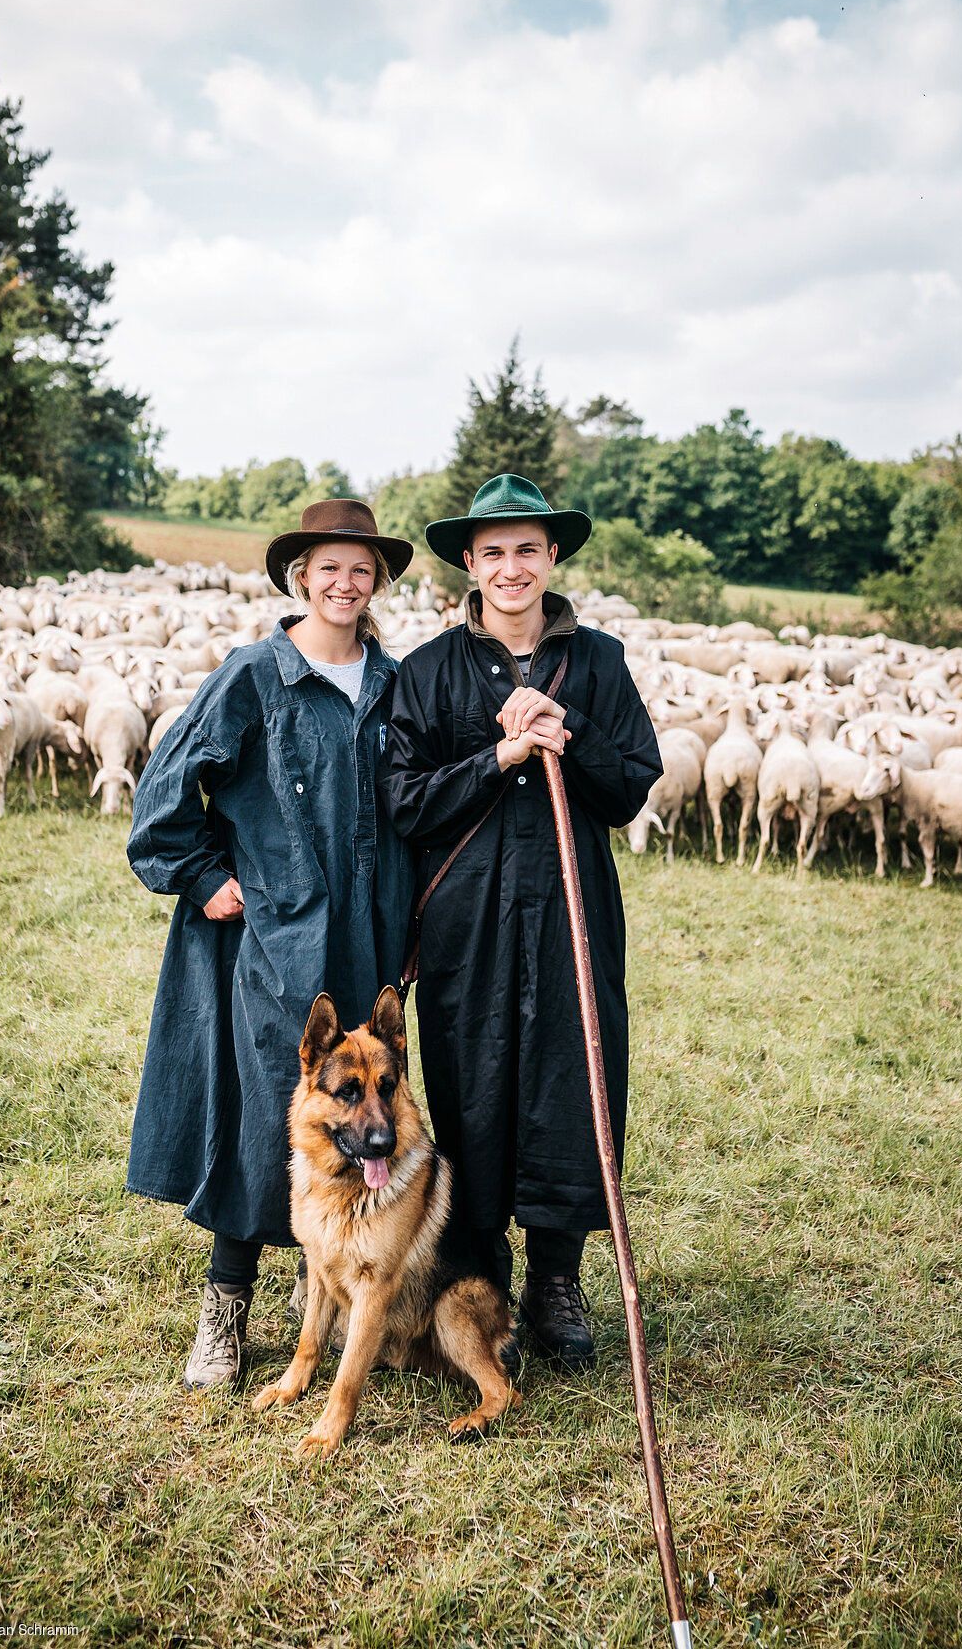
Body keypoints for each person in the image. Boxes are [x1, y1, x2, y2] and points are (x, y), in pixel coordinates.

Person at [125, 500, 415, 1389]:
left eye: (360, 568)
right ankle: (224, 1308)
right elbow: (169, 787)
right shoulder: (255, 674)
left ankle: (316, 1282)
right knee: (263, 1118)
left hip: (369, 938)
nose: (344, 581)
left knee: (359, 1117)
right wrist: (204, 874)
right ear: (300, 576)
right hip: (276, 944)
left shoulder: (392, 682)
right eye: (328, 566)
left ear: (377, 581)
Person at [379, 475, 662, 1369]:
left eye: (527, 549)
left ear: (552, 558)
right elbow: (403, 803)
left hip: (572, 910)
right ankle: (478, 1272)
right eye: (493, 551)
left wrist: (565, 729)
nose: (511, 567)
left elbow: (629, 789)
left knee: (571, 1084)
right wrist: (500, 755)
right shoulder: (427, 671)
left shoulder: (601, 664)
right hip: (469, 924)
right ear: (469, 561)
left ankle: (557, 1280)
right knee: (473, 1081)